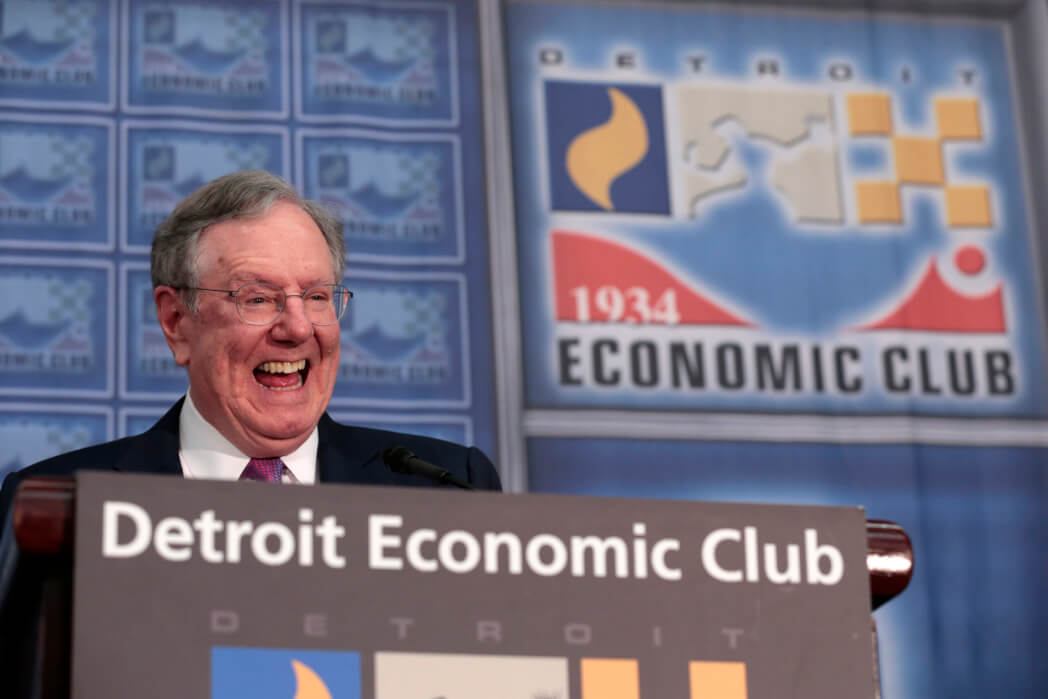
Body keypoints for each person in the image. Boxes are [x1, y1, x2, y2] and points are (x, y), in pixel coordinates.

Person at [0, 169, 500, 524]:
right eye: (257, 298)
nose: (299, 327)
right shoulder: (60, 499)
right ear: (176, 321)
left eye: (317, 297)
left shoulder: (447, 489)